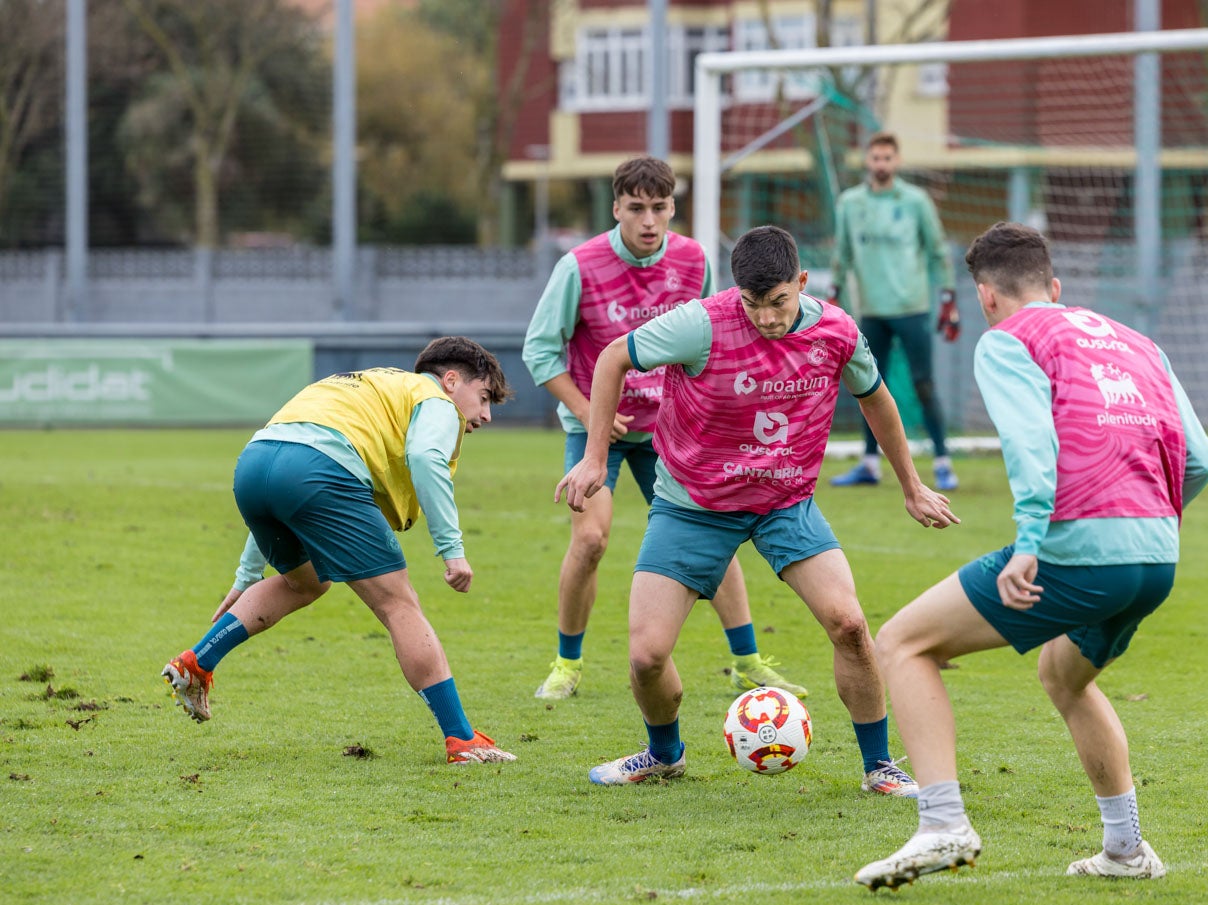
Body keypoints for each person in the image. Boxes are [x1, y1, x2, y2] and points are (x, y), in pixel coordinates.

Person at [853, 222, 1208, 889]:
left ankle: (941, 825)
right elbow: (1201, 459)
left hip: (1076, 550)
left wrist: (1029, 543)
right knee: (1063, 674)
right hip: (1156, 555)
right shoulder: (1140, 344)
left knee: (903, 643)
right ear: (1054, 287)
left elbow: (1031, 449)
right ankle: (1125, 850)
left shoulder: (1006, 341)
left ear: (985, 296)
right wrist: (1150, 524)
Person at [557, 225, 960, 794]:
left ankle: (879, 767)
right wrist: (596, 456)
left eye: (778, 303)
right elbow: (612, 358)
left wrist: (912, 485)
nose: (767, 318)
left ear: (801, 282)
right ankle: (664, 754)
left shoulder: (838, 331)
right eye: (753, 304)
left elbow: (877, 401)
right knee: (647, 656)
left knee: (849, 624)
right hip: (692, 504)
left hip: (784, 502)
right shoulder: (700, 324)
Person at [523, 156, 807, 701]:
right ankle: (567, 665)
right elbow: (539, 351)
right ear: (616, 209)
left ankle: (747, 660)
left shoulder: (693, 258)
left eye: (659, 208)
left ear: (673, 207)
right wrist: (588, 412)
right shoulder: (578, 266)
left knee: (712, 537)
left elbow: (707, 335)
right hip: (596, 428)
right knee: (590, 538)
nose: (648, 220)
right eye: (636, 208)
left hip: (674, 431)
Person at [160, 337, 519, 767]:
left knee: (305, 581)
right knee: (398, 604)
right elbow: (425, 457)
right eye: (483, 398)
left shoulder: (369, 387)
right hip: (320, 471)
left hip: (255, 463)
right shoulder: (434, 399)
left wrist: (246, 577)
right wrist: (452, 551)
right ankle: (463, 740)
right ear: (451, 380)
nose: (486, 415)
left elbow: (286, 467)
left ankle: (197, 662)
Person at [828, 131, 961, 492]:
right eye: (876, 158)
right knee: (868, 387)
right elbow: (843, 253)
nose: (881, 164)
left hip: (912, 307)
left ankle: (942, 462)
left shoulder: (916, 201)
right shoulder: (850, 203)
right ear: (867, 161)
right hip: (870, 310)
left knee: (924, 383)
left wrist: (948, 300)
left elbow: (937, 250)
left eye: (888, 158)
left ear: (896, 161)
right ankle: (870, 464)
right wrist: (834, 295)